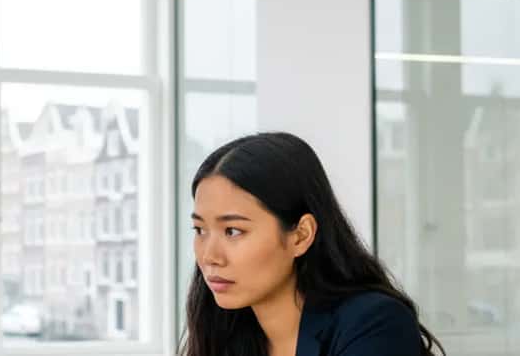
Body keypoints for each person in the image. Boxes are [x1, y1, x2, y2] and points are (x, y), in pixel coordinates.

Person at [181, 132, 442, 356]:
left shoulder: (373, 324)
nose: (210, 256)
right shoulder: (222, 330)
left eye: (233, 231)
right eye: (200, 230)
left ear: (301, 235)